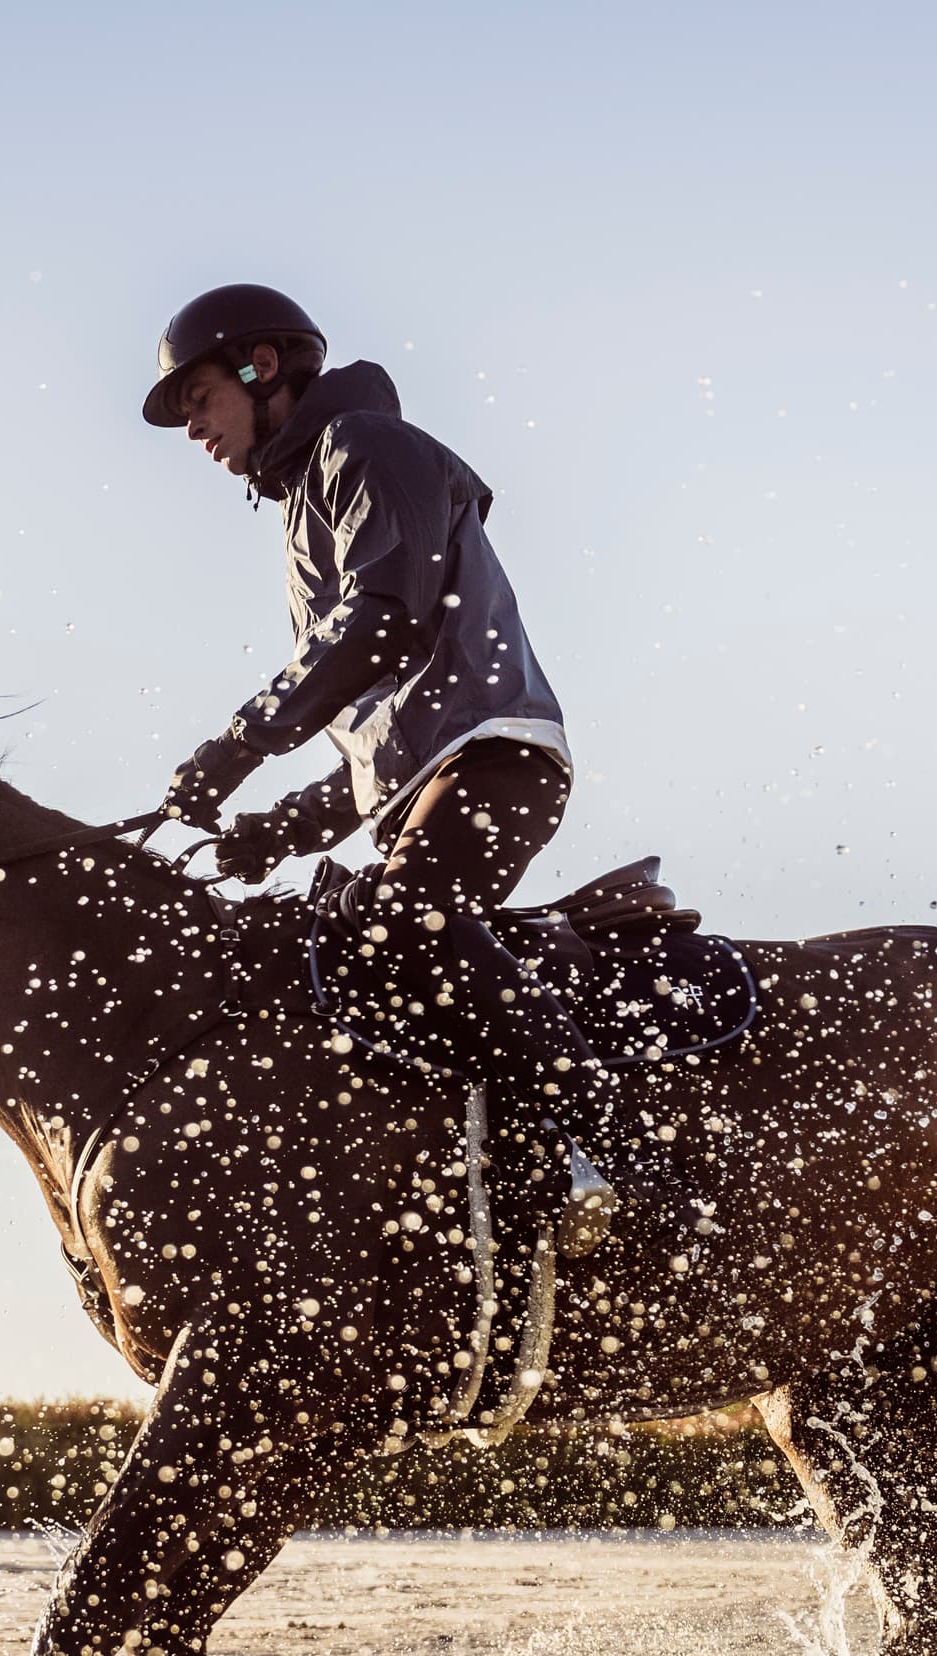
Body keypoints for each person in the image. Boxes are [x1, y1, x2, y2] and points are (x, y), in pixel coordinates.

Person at [141, 283, 642, 1202]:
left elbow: (383, 627)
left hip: (496, 759)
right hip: (432, 776)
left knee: (408, 917)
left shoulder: (363, 447)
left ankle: (611, 1151)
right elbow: (381, 734)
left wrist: (235, 747)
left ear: (263, 369)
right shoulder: (301, 505)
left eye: (198, 400)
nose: (192, 431)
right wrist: (280, 829)